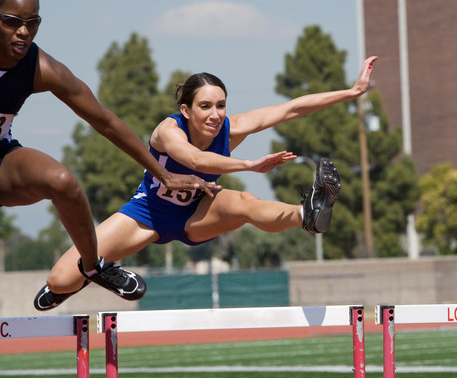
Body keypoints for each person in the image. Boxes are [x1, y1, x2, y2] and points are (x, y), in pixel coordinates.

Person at [34, 54, 378, 310]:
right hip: (147, 214)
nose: (215, 114)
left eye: (221, 105)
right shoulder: (168, 131)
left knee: (244, 204)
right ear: (186, 110)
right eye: (205, 106)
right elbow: (194, 160)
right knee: (60, 279)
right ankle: (95, 272)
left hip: (197, 214)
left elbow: (289, 109)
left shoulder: (230, 128)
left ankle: (307, 215)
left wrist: (351, 92)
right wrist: (248, 163)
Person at [0, 0, 219, 303]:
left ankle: (92, 267)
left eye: (32, 23)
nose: (23, 32)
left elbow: (105, 121)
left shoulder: (41, 67)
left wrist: (163, 174)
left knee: (63, 182)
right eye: (12, 22)